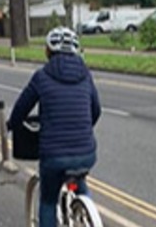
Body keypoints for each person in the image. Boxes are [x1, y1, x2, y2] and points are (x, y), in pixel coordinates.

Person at [7, 27, 101, 227]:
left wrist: (12, 125)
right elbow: (96, 110)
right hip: (86, 152)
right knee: (80, 181)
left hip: (54, 156)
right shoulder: (86, 75)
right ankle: (88, 213)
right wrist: (82, 128)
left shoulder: (42, 76)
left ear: (48, 51)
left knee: (48, 200)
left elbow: (21, 109)